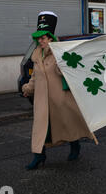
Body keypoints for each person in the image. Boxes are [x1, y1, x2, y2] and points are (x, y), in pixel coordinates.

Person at [22, 11, 98, 170]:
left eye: (43, 38)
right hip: (42, 101)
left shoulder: (59, 54)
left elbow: (69, 72)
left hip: (60, 99)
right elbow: (35, 77)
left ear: (50, 38)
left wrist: (61, 65)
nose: (40, 41)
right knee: (40, 128)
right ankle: (38, 156)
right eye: (38, 38)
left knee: (67, 124)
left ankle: (75, 145)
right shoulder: (36, 55)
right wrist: (28, 89)